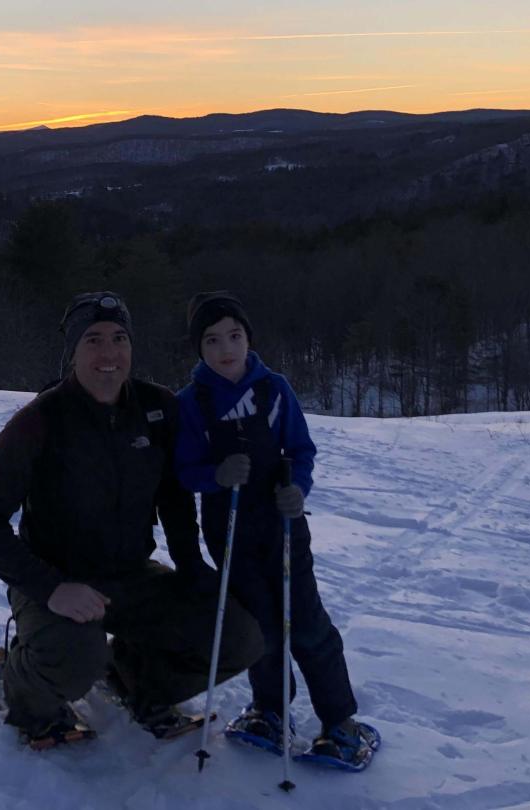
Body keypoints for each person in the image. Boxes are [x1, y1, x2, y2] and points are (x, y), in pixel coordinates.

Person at [0, 291, 264, 749]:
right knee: (78, 653)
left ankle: (136, 681)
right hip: (54, 580)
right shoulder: (39, 421)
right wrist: (51, 589)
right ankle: (19, 685)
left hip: (130, 574)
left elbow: (176, 499)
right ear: (73, 353)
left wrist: (191, 568)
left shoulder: (157, 408)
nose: (109, 353)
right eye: (94, 340)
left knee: (236, 633)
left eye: (119, 338)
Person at [173, 290, 379, 767]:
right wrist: (215, 476)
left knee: (305, 622)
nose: (226, 348)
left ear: (248, 338)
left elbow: (302, 451)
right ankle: (268, 709)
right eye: (212, 340)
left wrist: (298, 490)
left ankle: (339, 720)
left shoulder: (273, 389)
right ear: (198, 348)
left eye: (235, 335)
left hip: (282, 526)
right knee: (259, 626)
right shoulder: (194, 402)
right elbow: (184, 470)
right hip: (228, 527)